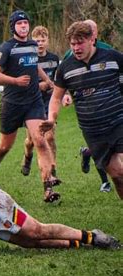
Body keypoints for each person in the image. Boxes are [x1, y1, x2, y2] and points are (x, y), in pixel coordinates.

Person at [0, 10, 60, 203]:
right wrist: (15, 81)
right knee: (4, 146)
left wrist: (48, 80)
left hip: (33, 101)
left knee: (40, 141)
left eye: (25, 23)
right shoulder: (6, 48)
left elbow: (35, 66)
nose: (23, 26)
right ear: (13, 27)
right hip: (12, 104)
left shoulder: (32, 45)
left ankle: (48, 187)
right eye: (19, 23)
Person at [40, 22, 123, 199]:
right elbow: (55, 97)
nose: (76, 47)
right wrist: (51, 119)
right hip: (93, 132)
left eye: (80, 42)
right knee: (117, 176)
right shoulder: (66, 68)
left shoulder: (113, 57)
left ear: (92, 39)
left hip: (118, 122)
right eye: (72, 43)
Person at [20, 26, 72, 177]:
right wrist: (38, 85)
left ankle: (53, 169)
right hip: (31, 102)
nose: (40, 43)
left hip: (49, 101)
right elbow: (23, 82)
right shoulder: (28, 60)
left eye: (43, 40)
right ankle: (28, 156)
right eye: (37, 40)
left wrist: (65, 95)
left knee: (50, 137)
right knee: (31, 140)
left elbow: (60, 82)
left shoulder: (54, 59)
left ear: (48, 41)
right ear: (32, 41)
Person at [69, 20, 113, 193]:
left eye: (93, 31)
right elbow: (64, 79)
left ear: (95, 34)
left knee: (109, 147)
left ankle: (88, 152)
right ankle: (105, 182)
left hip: (111, 104)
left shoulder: (107, 50)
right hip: (88, 110)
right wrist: (66, 95)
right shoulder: (72, 54)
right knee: (102, 146)